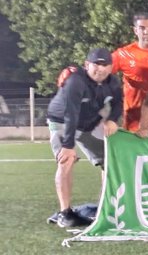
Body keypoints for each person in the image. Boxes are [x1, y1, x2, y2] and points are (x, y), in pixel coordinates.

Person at [46, 48, 123, 227]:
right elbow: (71, 113)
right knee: (66, 160)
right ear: (87, 65)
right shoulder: (76, 81)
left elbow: (118, 103)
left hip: (87, 123)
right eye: (96, 64)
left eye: (105, 65)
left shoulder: (112, 81)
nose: (100, 69)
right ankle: (65, 213)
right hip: (62, 122)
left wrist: (112, 120)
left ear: (111, 67)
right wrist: (68, 145)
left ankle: (105, 205)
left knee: (109, 159)